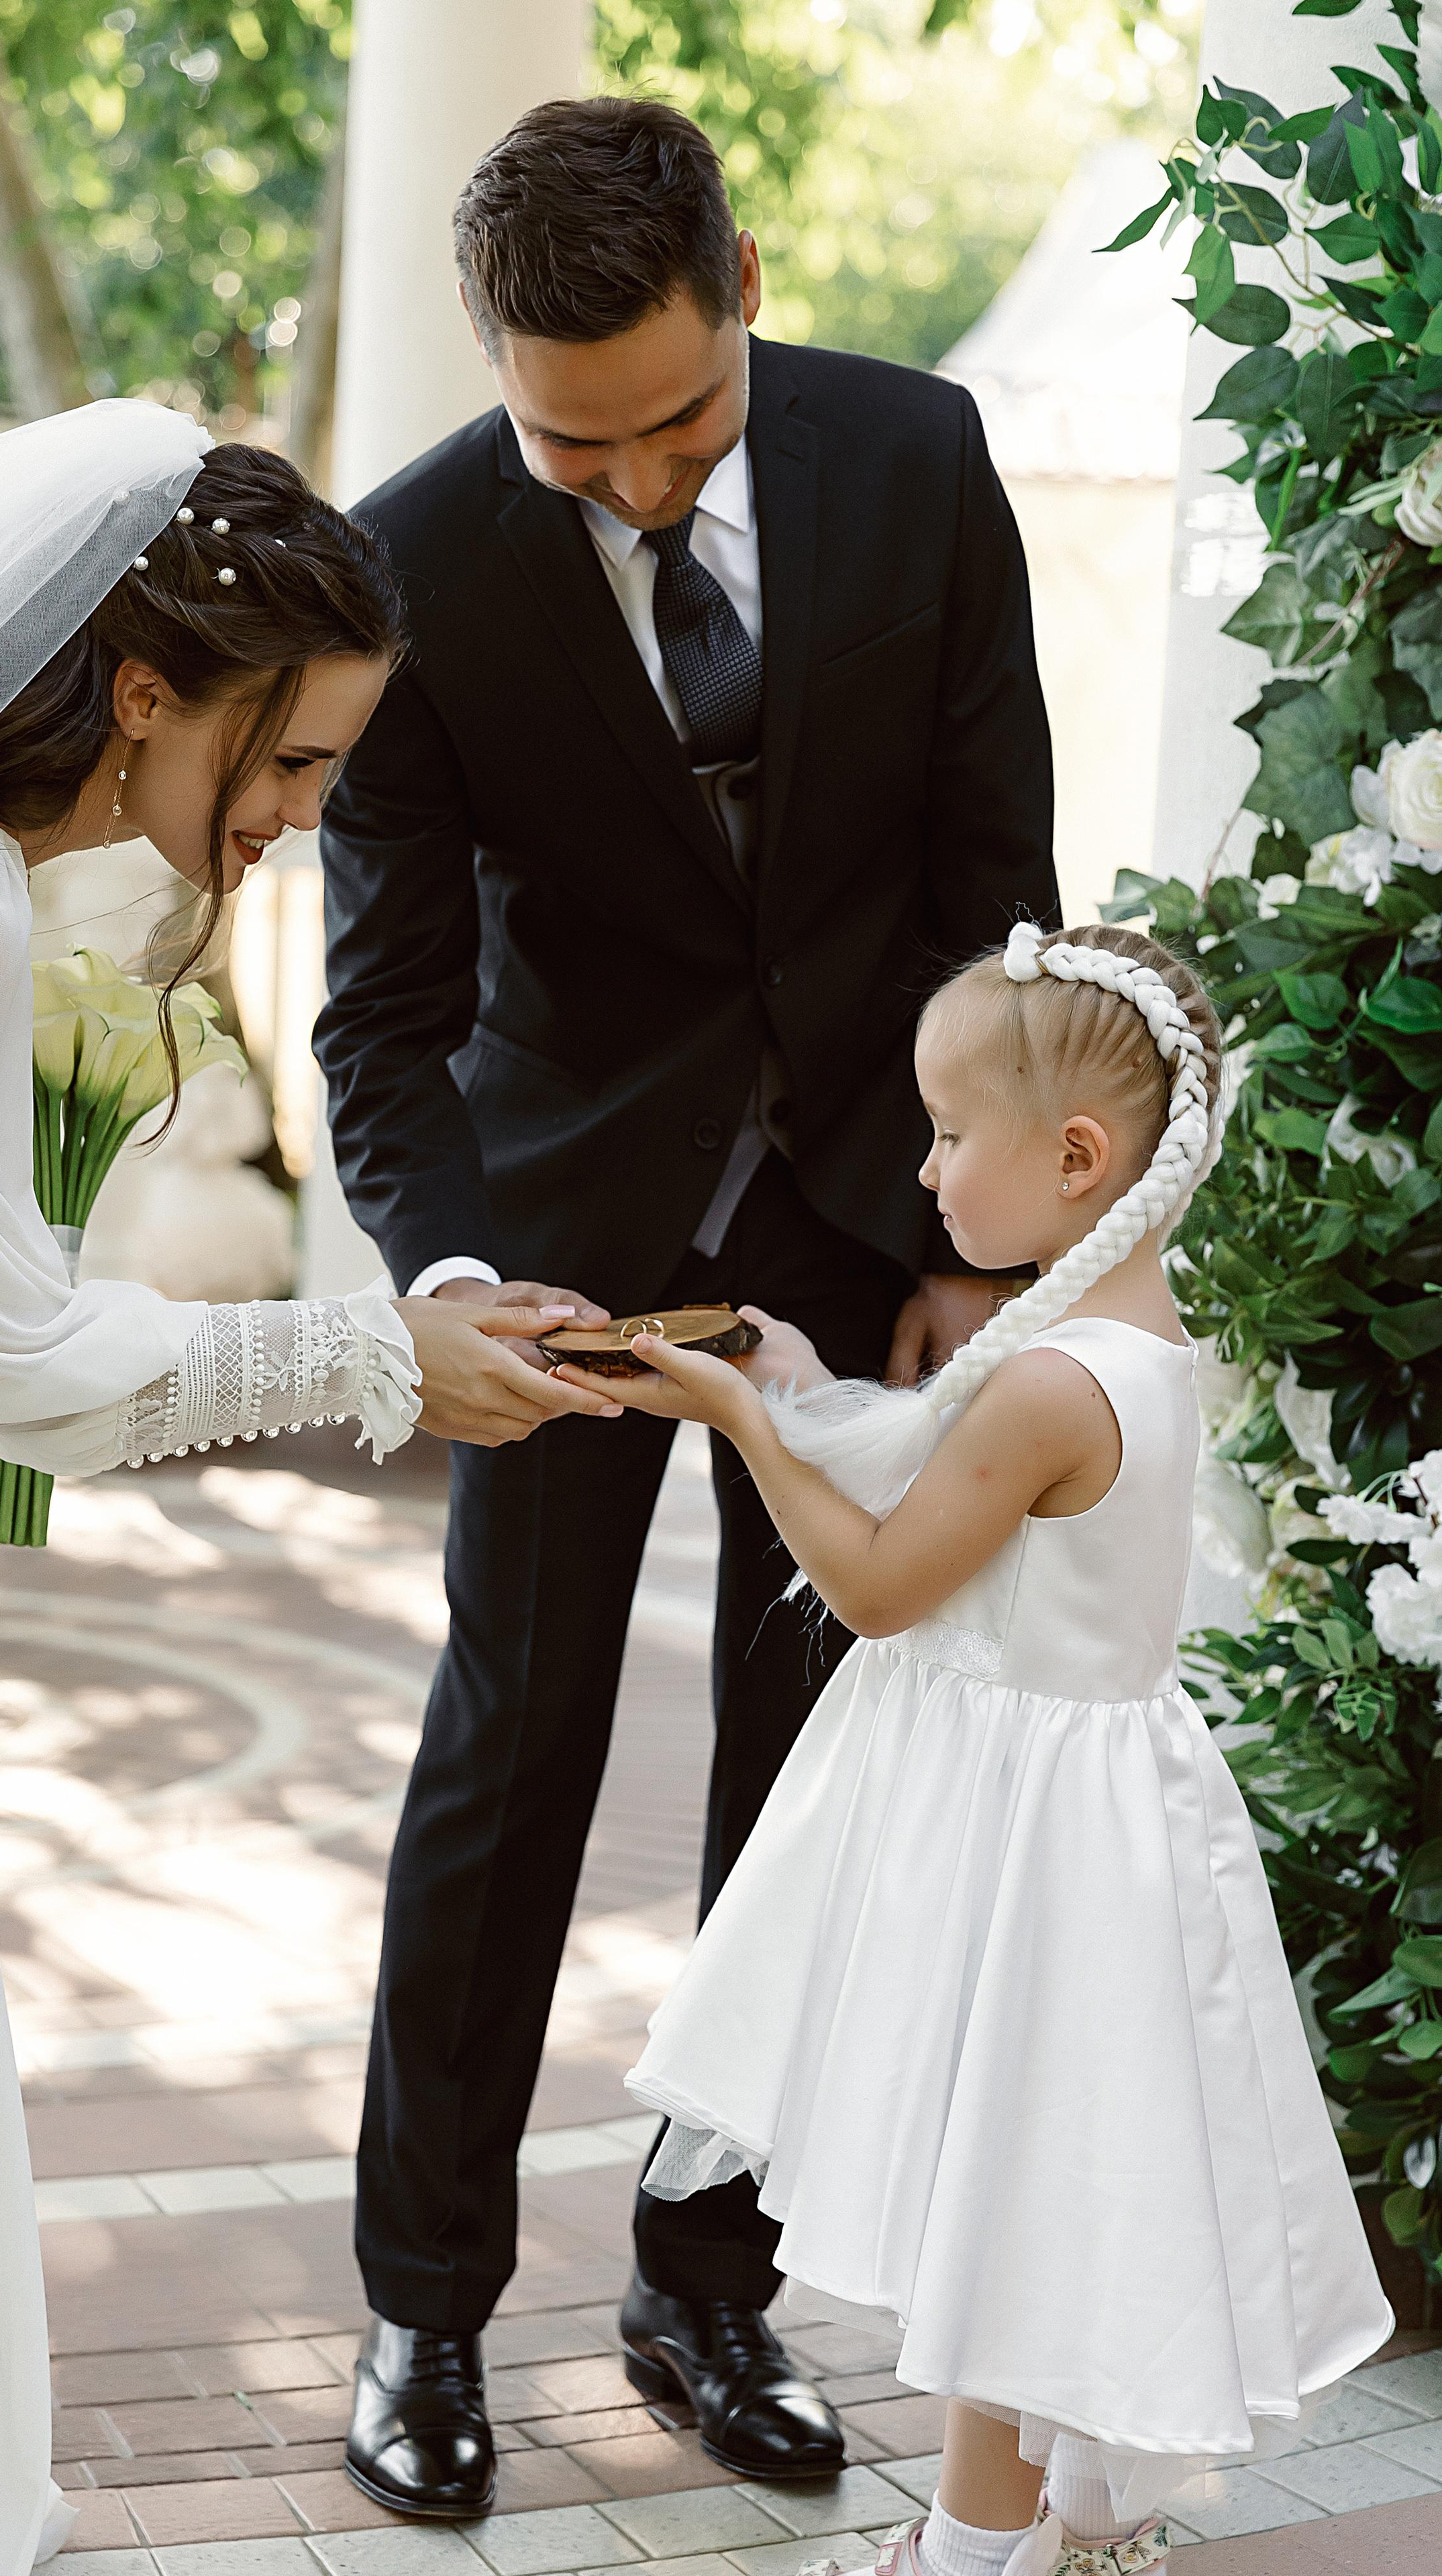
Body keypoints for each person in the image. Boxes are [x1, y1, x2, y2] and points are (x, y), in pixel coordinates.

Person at [0, 402, 620, 2576]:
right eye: (292, 764)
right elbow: (8, 1382)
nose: (302, 823)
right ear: (144, 694)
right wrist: (372, 1360)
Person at [315, 95, 1057, 2513]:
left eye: (674, 428)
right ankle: (424, 2318)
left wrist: (970, 1250)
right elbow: (385, 1009)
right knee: (508, 1758)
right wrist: (440, 1278)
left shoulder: (921, 460)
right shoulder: (414, 564)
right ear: (493, 376)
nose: (630, 488)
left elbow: (993, 873)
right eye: (568, 446)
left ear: (742, 286)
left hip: (856, 1234)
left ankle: (704, 2277)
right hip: (558, 1257)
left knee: (803, 1779)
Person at [580, 922, 1392, 2576]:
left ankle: (972, 2552)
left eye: (951, 1134)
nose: (927, 1170)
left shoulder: (1045, 1385)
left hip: (1026, 1844)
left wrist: (741, 1425)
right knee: (1021, 2184)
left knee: (1003, 2197)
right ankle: (1050, 2523)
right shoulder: (1108, 1351)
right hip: (1066, 1816)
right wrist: (800, 1384)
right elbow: (922, 1468)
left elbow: (880, 1587)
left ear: (1076, 1158)